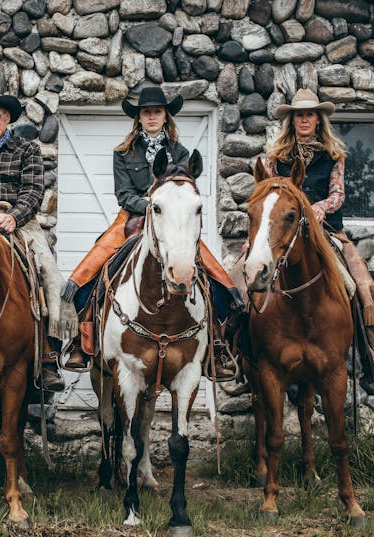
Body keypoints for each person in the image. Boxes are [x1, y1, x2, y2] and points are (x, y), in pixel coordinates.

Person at [62, 87, 243, 379]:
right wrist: (151, 205)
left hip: (172, 221)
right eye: (147, 112)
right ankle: (83, 343)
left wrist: (167, 207)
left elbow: (184, 190)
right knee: (86, 274)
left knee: (218, 279)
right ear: (139, 117)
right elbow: (124, 194)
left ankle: (217, 347)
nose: (152, 116)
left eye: (157, 111)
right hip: (132, 218)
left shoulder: (180, 152)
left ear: (165, 115)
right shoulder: (123, 153)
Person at [259, 88, 374, 380]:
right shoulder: (276, 157)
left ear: (318, 120)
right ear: (292, 120)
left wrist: (320, 208)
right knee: (244, 270)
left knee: (354, 280)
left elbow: (338, 194)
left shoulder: (333, 155)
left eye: (309, 115)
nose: (304, 120)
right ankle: (234, 341)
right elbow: (269, 190)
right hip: (284, 231)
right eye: (299, 115)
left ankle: (373, 346)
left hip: (325, 230)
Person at [0, 85, 78, 392]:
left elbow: (34, 191)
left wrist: (13, 217)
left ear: (7, 117)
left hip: (18, 223)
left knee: (49, 274)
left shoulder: (28, 150)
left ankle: (48, 354)